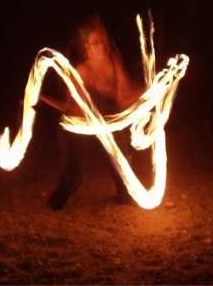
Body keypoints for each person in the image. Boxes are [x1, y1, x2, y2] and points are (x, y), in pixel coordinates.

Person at [40, 12, 144, 210]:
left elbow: (123, 95)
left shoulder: (113, 59)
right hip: (75, 123)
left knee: (120, 159)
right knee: (74, 170)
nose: (103, 45)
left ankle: (124, 198)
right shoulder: (83, 71)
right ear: (87, 47)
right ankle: (55, 204)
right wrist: (40, 98)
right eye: (96, 42)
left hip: (104, 119)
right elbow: (72, 108)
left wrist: (150, 92)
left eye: (104, 39)